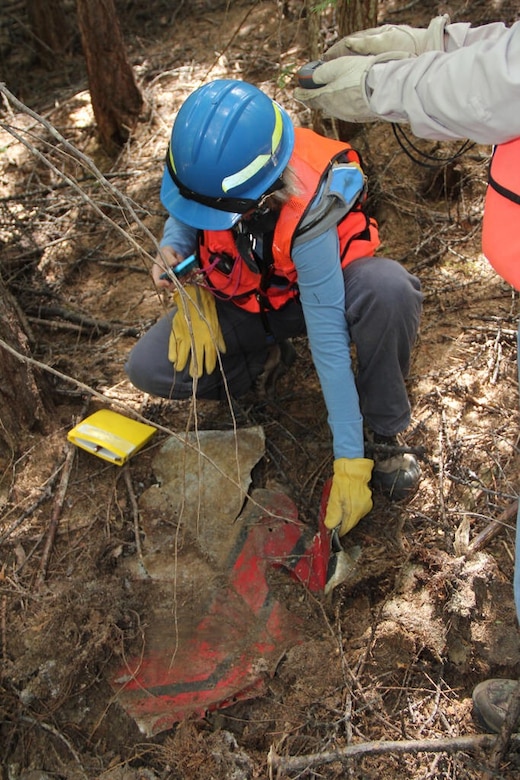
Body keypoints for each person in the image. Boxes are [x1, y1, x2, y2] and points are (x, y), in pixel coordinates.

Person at [295, 14, 520, 734]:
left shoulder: (311, 189)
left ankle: (384, 440)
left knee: (386, 292)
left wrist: (387, 84)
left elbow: (505, 84)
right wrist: (429, 45)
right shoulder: (206, 198)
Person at [125, 78, 423, 547]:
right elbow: (189, 205)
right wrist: (174, 246)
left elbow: (327, 338)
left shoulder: (308, 208)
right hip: (243, 302)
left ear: (260, 193)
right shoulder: (212, 164)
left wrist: (348, 459)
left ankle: (382, 435)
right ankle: (265, 363)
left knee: (388, 291)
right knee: (148, 367)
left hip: (316, 301)